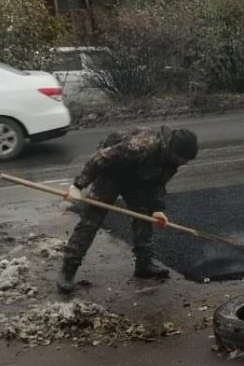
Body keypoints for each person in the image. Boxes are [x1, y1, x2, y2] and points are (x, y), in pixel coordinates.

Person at [57, 126, 199, 293]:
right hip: (111, 170)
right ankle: (68, 269)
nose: (184, 163)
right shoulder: (142, 145)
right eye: (183, 159)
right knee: (92, 219)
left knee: (144, 215)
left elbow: (158, 183)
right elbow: (100, 158)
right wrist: (78, 185)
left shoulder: (171, 159)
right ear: (173, 150)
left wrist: (157, 209)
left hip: (136, 173)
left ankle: (144, 264)